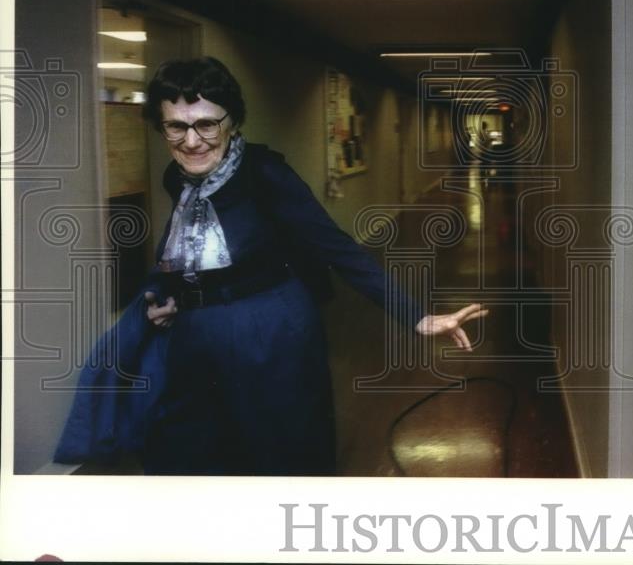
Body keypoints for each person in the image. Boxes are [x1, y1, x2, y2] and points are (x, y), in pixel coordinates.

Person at [55, 56, 486, 475]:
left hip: (270, 331)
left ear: (232, 122)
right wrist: (173, 298)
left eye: (207, 124)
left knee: (280, 448)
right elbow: (189, 251)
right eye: (176, 126)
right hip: (195, 332)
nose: (191, 140)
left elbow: (335, 246)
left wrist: (417, 315)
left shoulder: (265, 173)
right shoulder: (176, 177)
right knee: (183, 446)